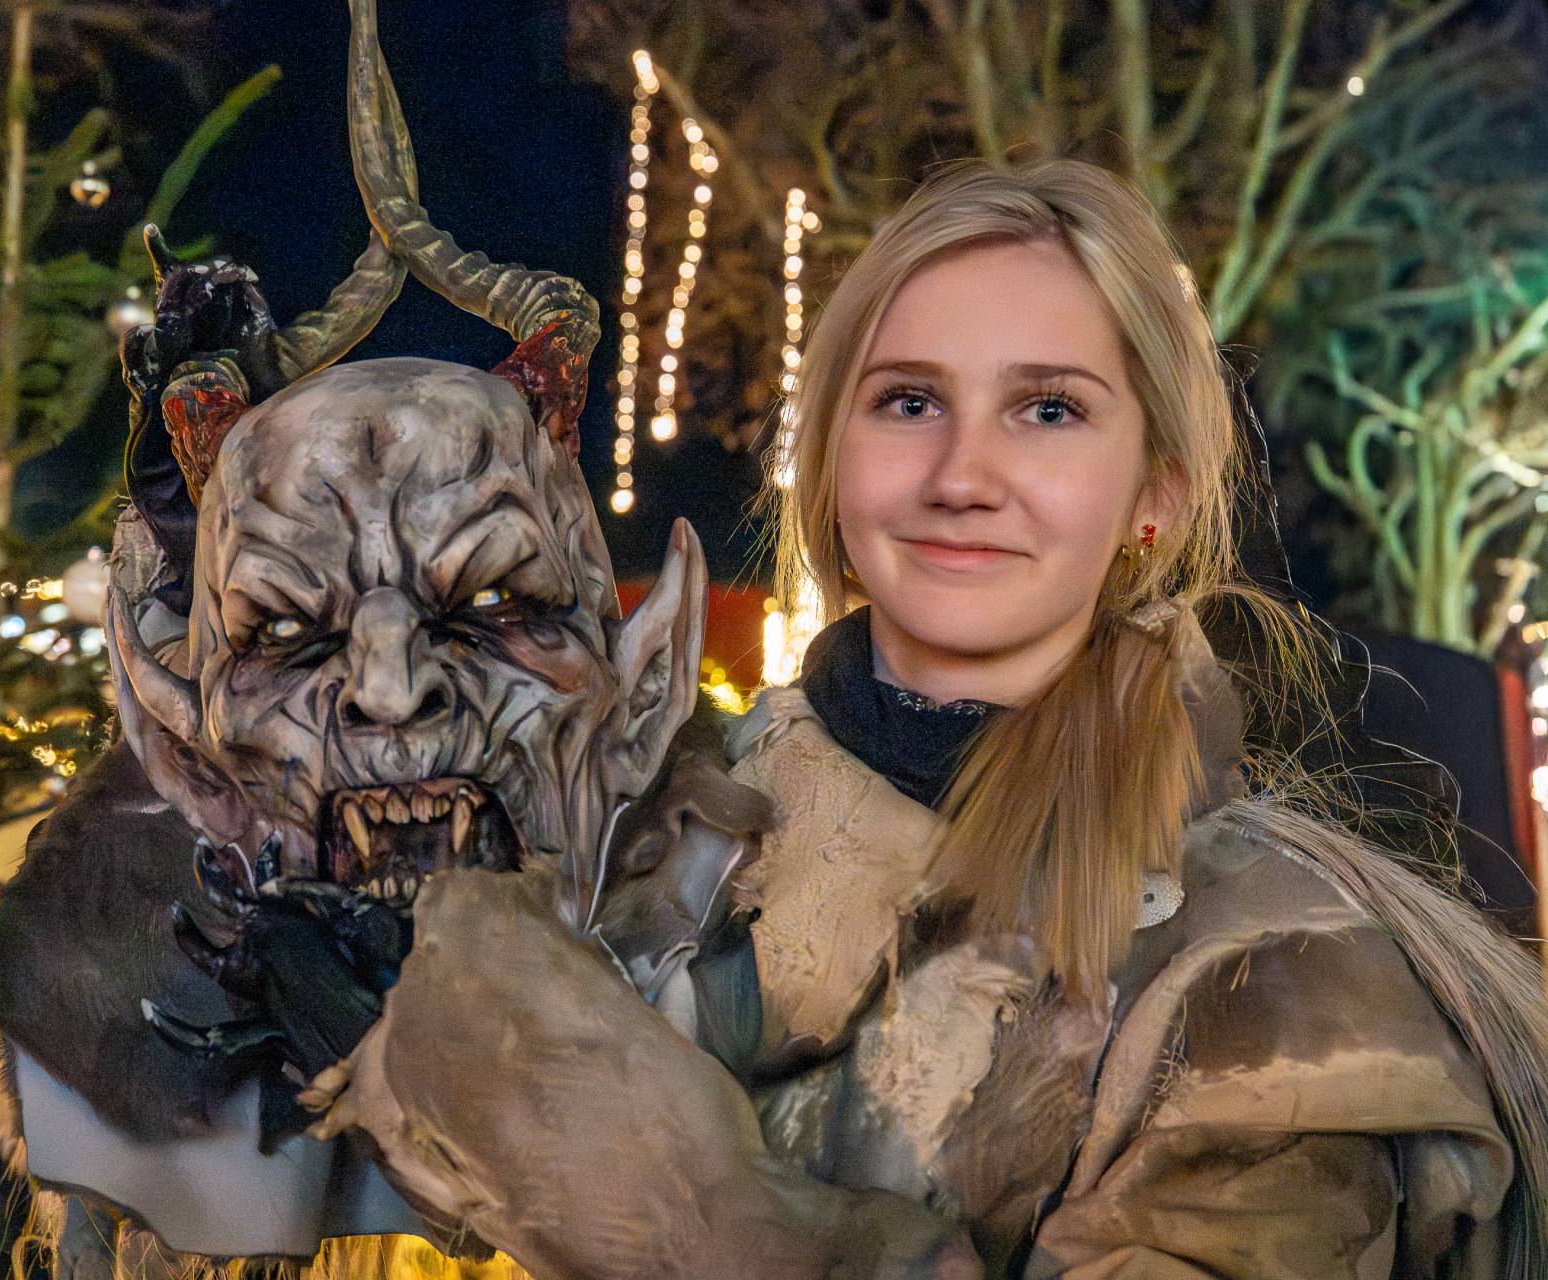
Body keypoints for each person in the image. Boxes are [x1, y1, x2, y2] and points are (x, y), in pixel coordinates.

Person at [309, 160, 1548, 1279]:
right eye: (908, 401)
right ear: (832, 462)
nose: (961, 475)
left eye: (1048, 409)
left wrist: (652, 1188)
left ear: (1155, 497)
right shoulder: (640, 844)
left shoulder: (1277, 980)